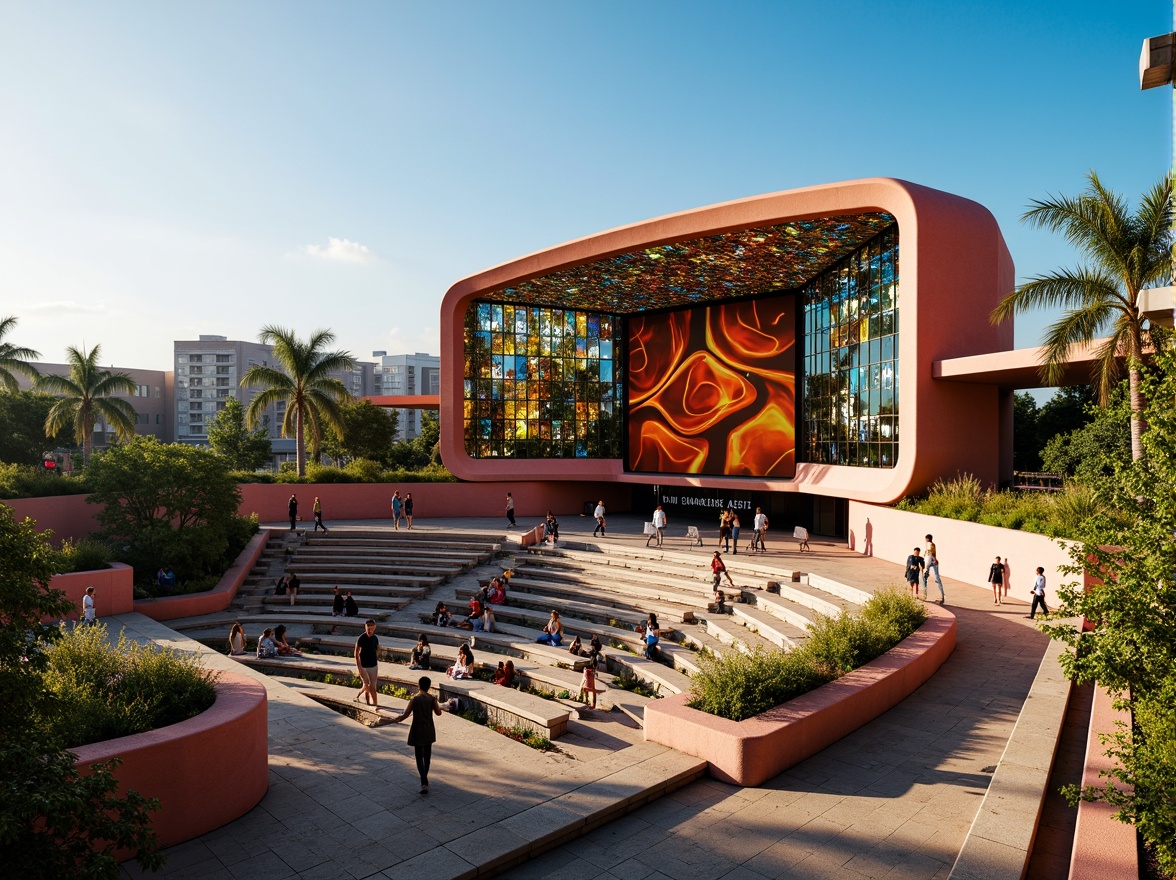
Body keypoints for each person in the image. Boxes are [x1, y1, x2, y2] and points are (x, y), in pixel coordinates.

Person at [390, 676, 443, 794]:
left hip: (417, 729)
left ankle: (424, 781)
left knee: (419, 757)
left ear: (419, 685)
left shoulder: (414, 699)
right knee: (427, 756)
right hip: (429, 729)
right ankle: (425, 779)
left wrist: (396, 719)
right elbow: (438, 713)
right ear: (429, 687)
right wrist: (441, 708)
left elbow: (405, 714)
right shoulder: (432, 699)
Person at [354, 619, 380, 707]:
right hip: (363, 665)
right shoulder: (361, 638)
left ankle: (366, 700)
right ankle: (375, 703)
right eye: (367, 627)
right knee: (367, 684)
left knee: (372, 685)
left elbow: (376, 649)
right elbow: (356, 653)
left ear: (374, 628)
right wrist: (359, 666)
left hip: (373, 665)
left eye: (371, 628)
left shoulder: (375, 638)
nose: (369, 630)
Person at [923, 534, 945, 604]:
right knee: (936, 578)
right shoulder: (933, 544)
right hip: (932, 561)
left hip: (930, 562)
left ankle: (925, 594)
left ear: (928, 539)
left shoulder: (930, 544)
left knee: (926, 577)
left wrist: (926, 566)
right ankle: (941, 595)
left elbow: (930, 554)